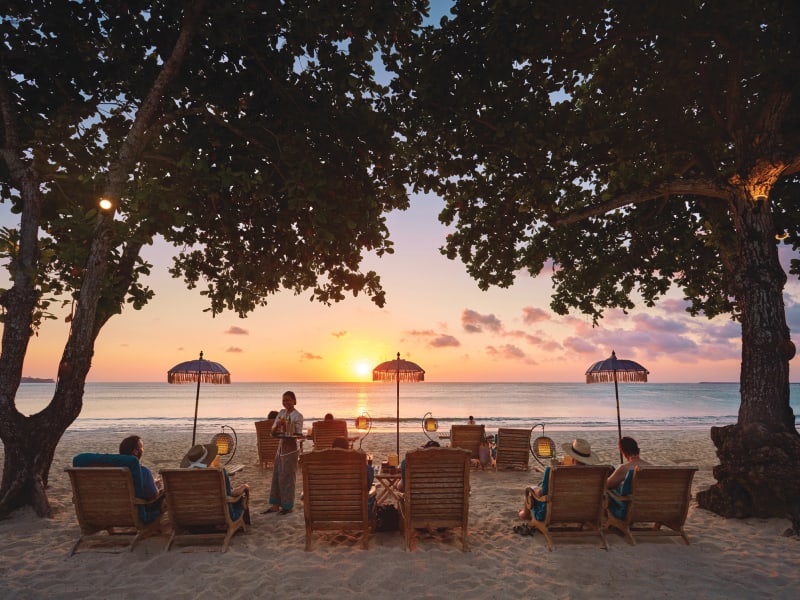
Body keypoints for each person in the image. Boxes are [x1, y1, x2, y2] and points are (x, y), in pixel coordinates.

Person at [517, 438, 600, 522]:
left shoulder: (552, 471)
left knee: (531, 490)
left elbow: (543, 494)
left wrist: (535, 490)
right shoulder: (596, 473)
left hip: (553, 513)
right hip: (584, 513)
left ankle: (524, 515)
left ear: (572, 458)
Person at [180, 443, 251, 524]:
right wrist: (244, 487)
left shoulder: (183, 476)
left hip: (191, 517)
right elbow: (230, 494)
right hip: (221, 515)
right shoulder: (218, 473)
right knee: (242, 498)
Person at [265, 390, 304, 514]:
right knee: (277, 475)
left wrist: (288, 429)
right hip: (281, 447)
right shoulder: (281, 413)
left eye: (288, 400)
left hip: (291, 449)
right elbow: (273, 431)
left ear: (294, 401)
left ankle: (287, 506)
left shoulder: (298, 416)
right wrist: (278, 426)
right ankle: (275, 505)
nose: (285, 402)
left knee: (287, 477)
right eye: (284, 400)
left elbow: (298, 433)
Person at [332, 436, 376, 514]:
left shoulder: (318, 469)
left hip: (325, 514)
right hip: (357, 513)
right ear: (347, 450)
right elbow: (367, 488)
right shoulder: (364, 468)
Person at [119, 435, 160, 500]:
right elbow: (153, 496)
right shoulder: (143, 471)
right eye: (142, 447)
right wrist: (156, 487)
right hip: (137, 505)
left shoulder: (113, 470)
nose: (143, 450)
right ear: (135, 451)